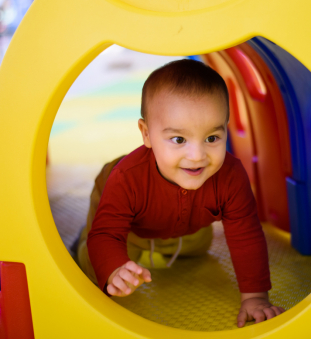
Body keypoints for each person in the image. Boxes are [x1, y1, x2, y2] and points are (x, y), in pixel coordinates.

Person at [76, 59, 285, 327]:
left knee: (198, 246)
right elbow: (107, 234)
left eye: (212, 138)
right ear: (147, 134)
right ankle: (84, 242)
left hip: (186, 222)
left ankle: (169, 240)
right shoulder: (126, 178)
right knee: (98, 261)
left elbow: (246, 235)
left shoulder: (230, 176)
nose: (197, 156)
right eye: (179, 139)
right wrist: (115, 268)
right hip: (129, 224)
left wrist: (255, 297)